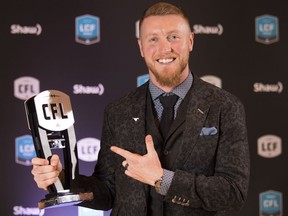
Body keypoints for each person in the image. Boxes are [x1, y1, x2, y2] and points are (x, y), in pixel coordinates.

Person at [31, 2, 250, 215]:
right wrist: (63, 180)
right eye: (153, 39)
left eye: (174, 37)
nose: (165, 48)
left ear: (190, 41)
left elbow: (233, 192)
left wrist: (162, 179)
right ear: (141, 47)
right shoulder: (118, 111)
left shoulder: (225, 107)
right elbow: (107, 191)